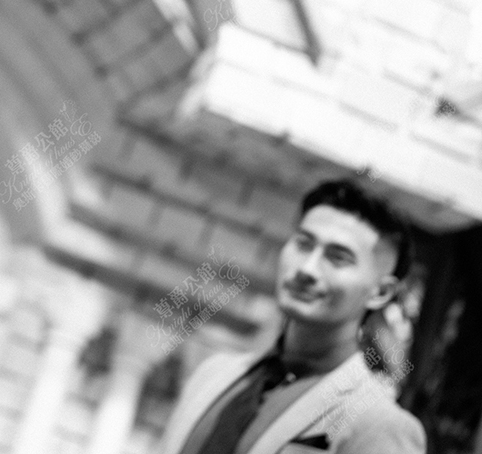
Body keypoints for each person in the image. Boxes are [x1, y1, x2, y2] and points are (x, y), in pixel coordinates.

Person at [156, 179, 426, 454]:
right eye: (303, 244)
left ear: (380, 292)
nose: (307, 269)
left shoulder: (379, 424)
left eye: (338, 257)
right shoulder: (214, 374)